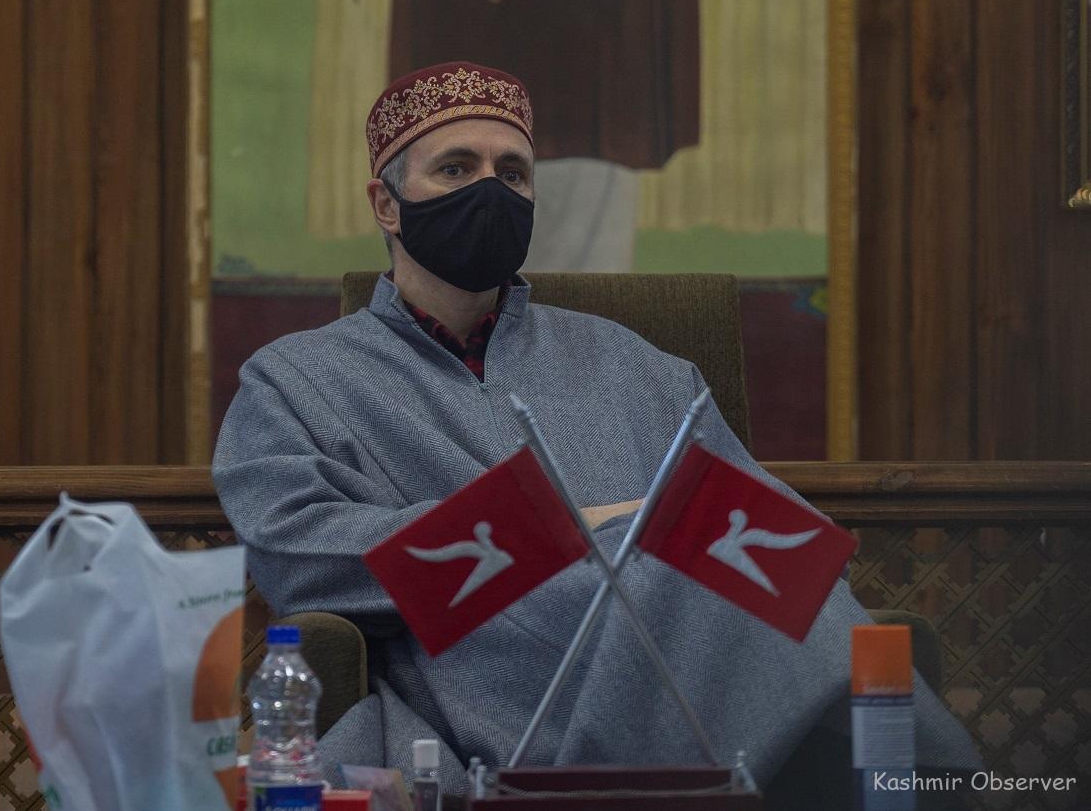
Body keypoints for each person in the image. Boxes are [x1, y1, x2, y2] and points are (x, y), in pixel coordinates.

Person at [213, 61, 981, 802]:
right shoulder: (296, 379)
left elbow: (773, 541)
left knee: (767, 590)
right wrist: (561, 526)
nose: (490, 189)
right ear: (387, 204)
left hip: (709, 660)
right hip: (502, 688)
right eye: (455, 168)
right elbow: (298, 556)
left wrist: (660, 541)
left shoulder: (641, 366)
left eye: (513, 173)